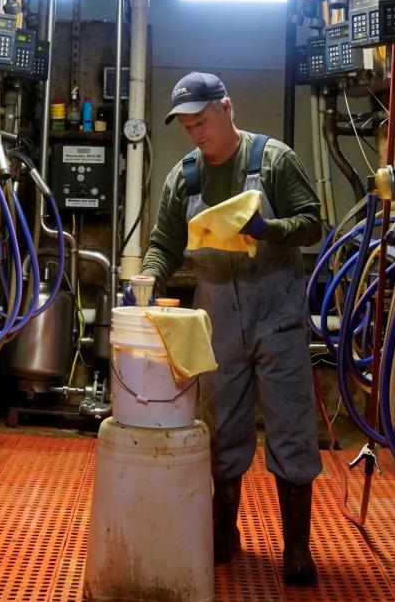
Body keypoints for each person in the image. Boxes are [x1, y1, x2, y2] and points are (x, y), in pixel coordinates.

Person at [137, 72, 325, 586]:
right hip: (217, 315)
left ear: (227, 108)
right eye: (187, 126)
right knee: (222, 429)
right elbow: (164, 241)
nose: (196, 134)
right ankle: (224, 533)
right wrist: (150, 273)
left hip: (278, 312)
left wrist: (268, 229)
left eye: (202, 121)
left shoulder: (274, 161)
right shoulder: (186, 176)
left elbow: (313, 222)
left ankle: (296, 548)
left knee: (290, 423)